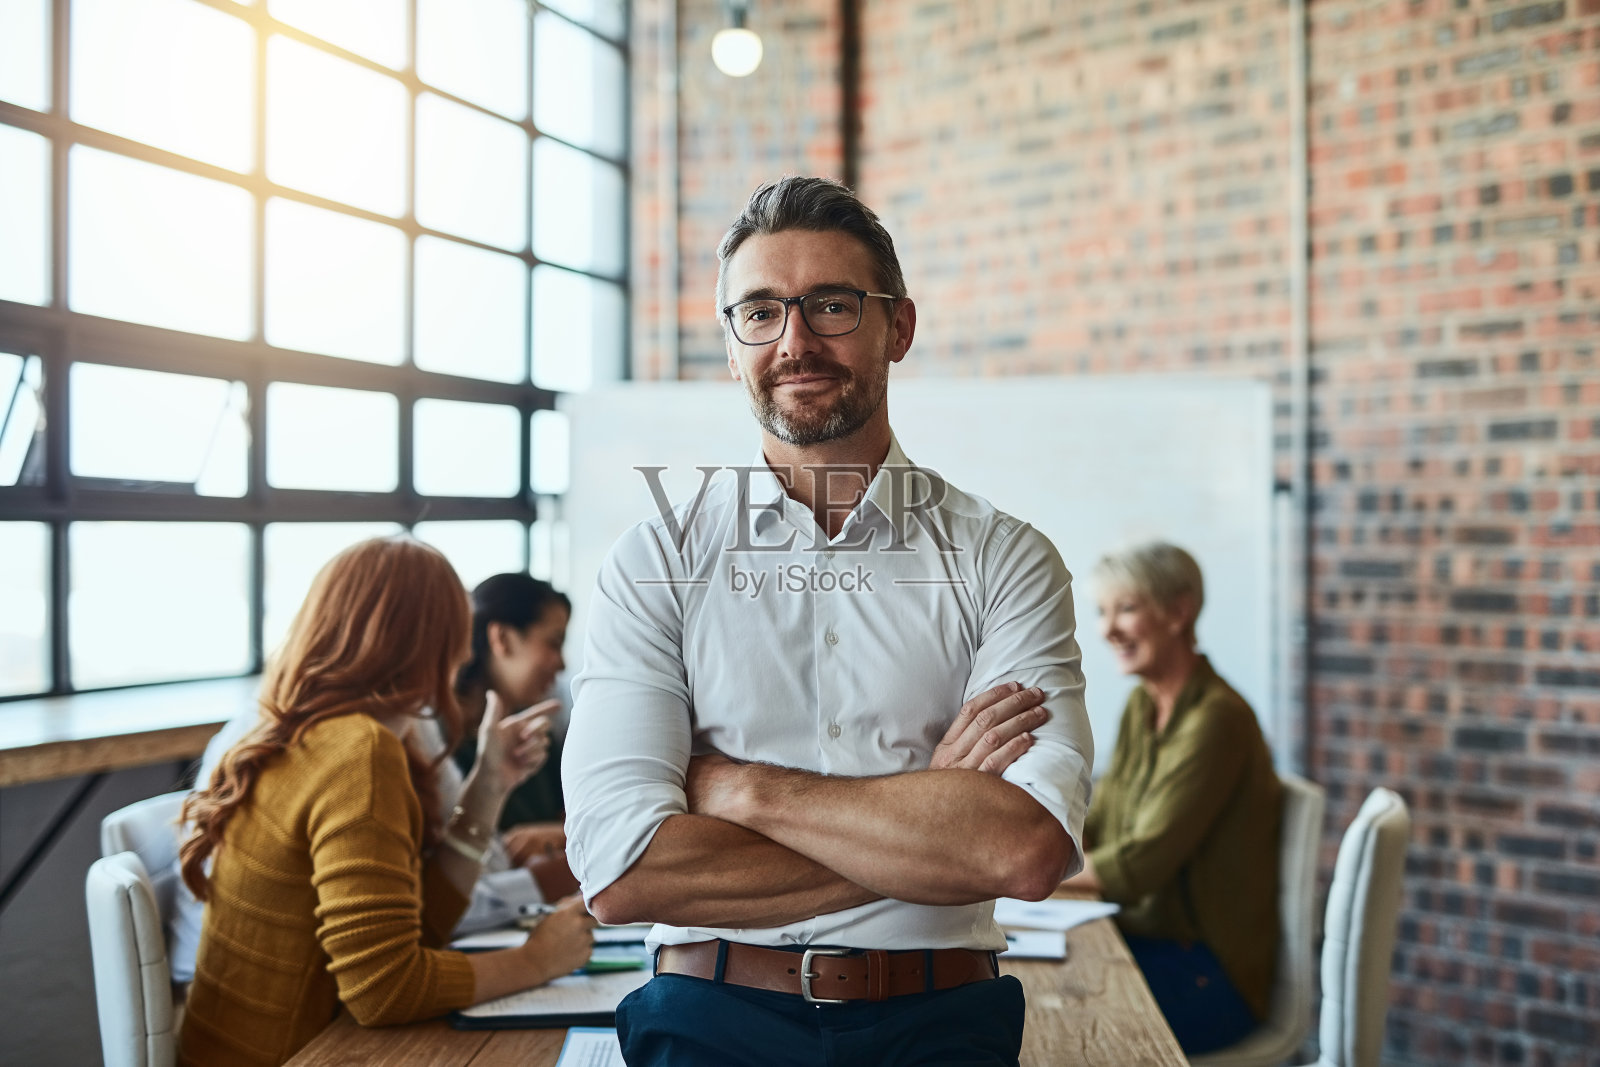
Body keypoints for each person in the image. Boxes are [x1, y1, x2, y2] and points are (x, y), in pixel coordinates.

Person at [562, 176, 1095, 1066]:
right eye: (760, 312)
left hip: (940, 1024)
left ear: (899, 327)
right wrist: (930, 807)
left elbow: (1023, 848)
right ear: (732, 344)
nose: (795, 341)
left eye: (833, 306)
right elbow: (622, 873)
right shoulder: (654, 562)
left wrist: (743, 790)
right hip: (707, 1017)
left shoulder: (1006, 559)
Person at [175, 537, 595, 1067]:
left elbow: (420, 929)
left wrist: (489, 784)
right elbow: (383, 990)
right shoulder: (360, 752)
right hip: (298, 1055)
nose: (466, 650)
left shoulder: (314, 731)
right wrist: (536, 961)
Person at [1065, 541, 1281, 1055]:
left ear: (1179, 612)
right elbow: (1098, 823)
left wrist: (1023, 871)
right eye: (1101, 612)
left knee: (1051, 1018)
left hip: (1208, 975)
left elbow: (1139, 865)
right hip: (1149, 944)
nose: (1107, 630)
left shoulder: (1217, 719)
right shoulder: (1142, 705)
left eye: (1126, 608)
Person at [452, 572, 579, 899]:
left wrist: (560, 834)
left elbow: (573, 818)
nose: (561, 664)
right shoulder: (439, 743)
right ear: (502, 639)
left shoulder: (538, 735)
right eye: (553, 643)